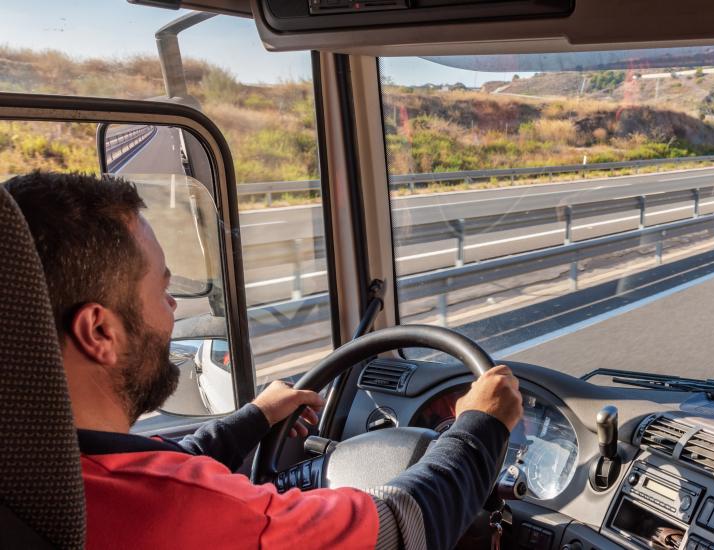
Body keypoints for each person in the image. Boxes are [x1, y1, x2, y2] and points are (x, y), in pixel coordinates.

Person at [5, 171, 523, 550]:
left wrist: (254, 417)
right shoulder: (179, 510)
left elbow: (168, 464)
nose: (173, 309)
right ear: (100, 332)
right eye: (162, 291)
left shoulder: (40, 473)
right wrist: (479, 427)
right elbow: (402, 526)